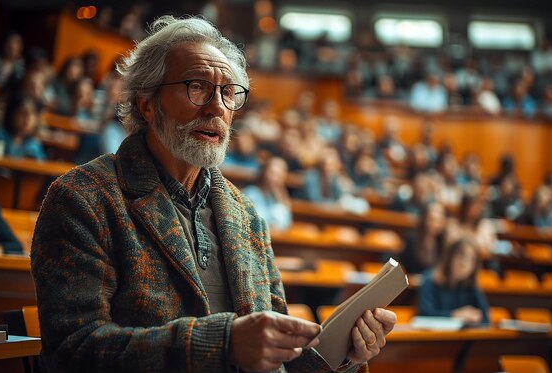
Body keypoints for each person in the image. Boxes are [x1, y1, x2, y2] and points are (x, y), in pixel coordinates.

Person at [31, 16, 396, 373]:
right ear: (147, 103)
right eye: (197, 86)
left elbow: (278, 351)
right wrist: (222, 344)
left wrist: (344, 355)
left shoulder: (247, 214)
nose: (217, 107)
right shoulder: (82, 199)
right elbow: (73, 351)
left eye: (227, 92)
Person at [417, 238, 490, 324]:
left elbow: (485, 318)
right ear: (450, 258)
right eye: (461, 257)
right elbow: (425, 313)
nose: (464, 264)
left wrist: (475, 317)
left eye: (471, 260)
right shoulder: (430, 280)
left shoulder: (471, 286)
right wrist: (455, 315)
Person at [242, 157, 292, 231]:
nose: (275, 178)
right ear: (264, 172)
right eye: (272, 173)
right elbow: (259, 223)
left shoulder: (278, 198)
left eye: (279, 175)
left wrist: (280, 200)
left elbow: (285, 224)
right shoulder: (251, 193)